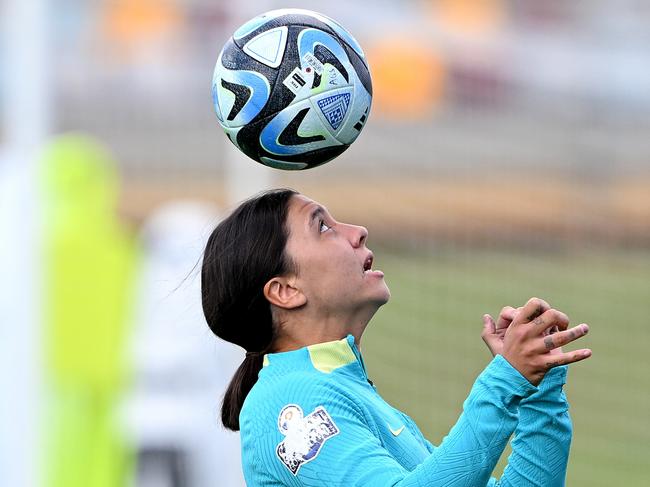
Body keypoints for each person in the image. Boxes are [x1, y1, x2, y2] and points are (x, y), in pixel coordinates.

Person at [201, 188, 592, 486]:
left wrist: (538, 383)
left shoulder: (346, 390)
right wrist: (504, 380)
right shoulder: (287, 402)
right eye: (323, 226)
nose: (358, 231)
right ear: (286, 291)